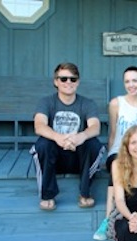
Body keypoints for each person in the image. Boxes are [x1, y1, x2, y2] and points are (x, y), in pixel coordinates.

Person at [93, 66, 137, 241]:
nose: (131, 85)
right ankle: (107, 220)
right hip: (119, 150)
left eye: (135, 80)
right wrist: (109, 153)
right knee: (117, 164)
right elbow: (113, 132)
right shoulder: (116, 103)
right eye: (127, 81)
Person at [30, 62, 105, 211]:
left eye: (73, 79)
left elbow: (95, 127)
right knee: (43, 144)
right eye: (63, 79)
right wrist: (58, 137)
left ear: (78, 82)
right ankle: (48, 194)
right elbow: (39, 125)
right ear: (55, 81)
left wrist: (80, 137)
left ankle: (85, 193)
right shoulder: (46, 102)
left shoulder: (87, 103)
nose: (68, 82)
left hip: (79, 159)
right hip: (54, 159)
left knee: (93, 144)